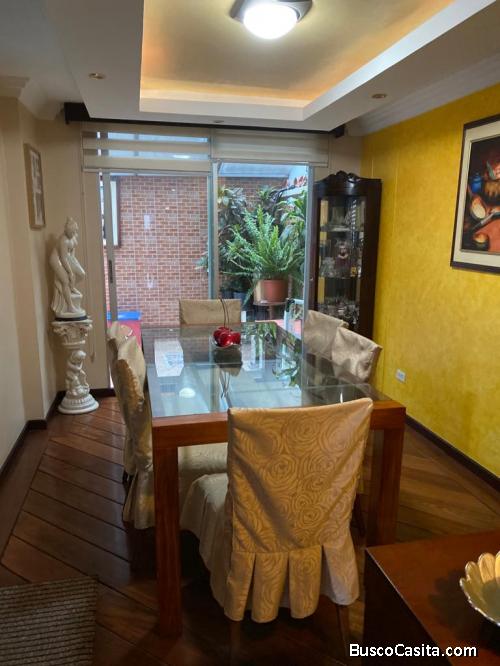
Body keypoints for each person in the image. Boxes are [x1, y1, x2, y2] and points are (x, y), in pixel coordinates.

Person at [50, 217, 86, 318]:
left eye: (75, 232)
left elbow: (72, 254)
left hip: (68, 258)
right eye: (72, 232)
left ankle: (71, 287)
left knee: (82, 274)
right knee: (65, 280)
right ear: (67, 230)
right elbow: (63, 259)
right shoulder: (63, 241)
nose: (73, 233)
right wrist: (70, 272)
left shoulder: (73, 237)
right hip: (56, 260)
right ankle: (70, 306)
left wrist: (75, 266)